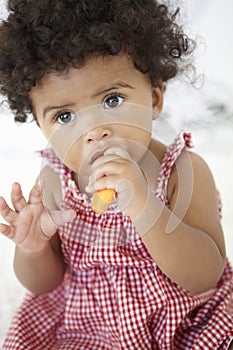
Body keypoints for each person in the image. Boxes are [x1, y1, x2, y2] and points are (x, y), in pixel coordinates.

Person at [0, 0, 232, 349]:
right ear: (42, 127)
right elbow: (44, 285)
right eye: (64, 117)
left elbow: (203, 276)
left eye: (111, 100)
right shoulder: (53, 180)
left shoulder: (181, 172)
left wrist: (144, 207)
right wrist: (33, 249)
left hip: (182, 323)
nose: (94, 131)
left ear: (154, 99)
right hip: (89, 328)